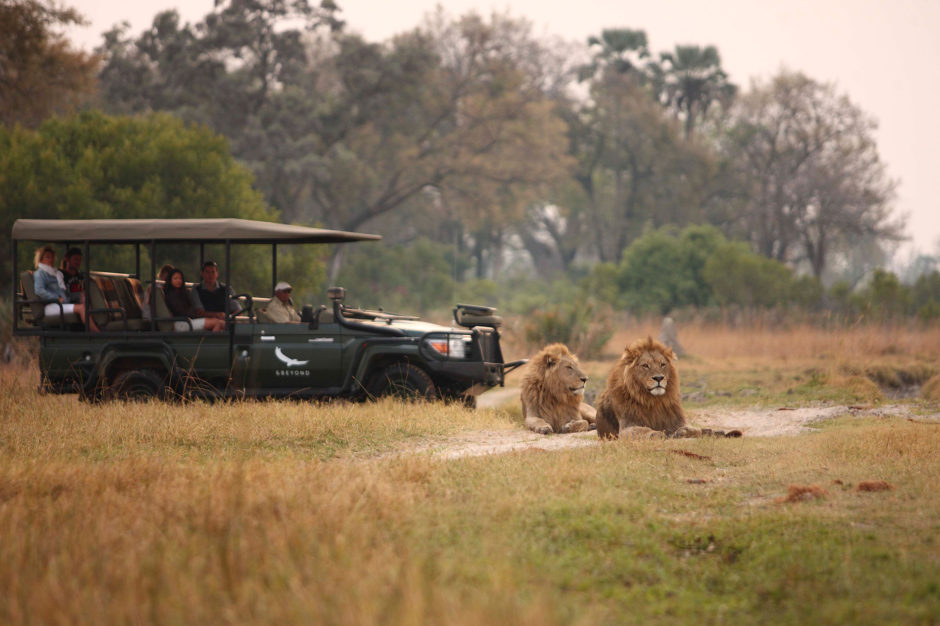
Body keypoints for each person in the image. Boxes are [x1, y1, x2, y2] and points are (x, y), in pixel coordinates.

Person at [33, 245, 97, 330]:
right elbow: (39, 291)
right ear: (41, 259)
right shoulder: (40, 273)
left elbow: (65, 293)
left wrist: (79, 295)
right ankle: (96, 332)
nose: (51, 260)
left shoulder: (55, 273)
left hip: (61, 303)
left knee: (86, 303)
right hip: (51, 305)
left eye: (52, 257)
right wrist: (56, 298)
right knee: (82, 308)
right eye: (47, 257)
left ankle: (95, 327)